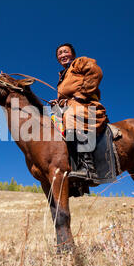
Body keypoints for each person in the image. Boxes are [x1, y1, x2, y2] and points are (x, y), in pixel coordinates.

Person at [52, 43, 109, 180]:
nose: (62, 55)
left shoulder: (80, 62)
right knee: (50, 122)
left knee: (70, 116)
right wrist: (58, 102)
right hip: (69, 106)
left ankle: (88, 167)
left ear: (73, 54)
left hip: (86, 104)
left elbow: (96, 72)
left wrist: (82, 94)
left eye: (65, 52)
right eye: (60, 54)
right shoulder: (62, 76)